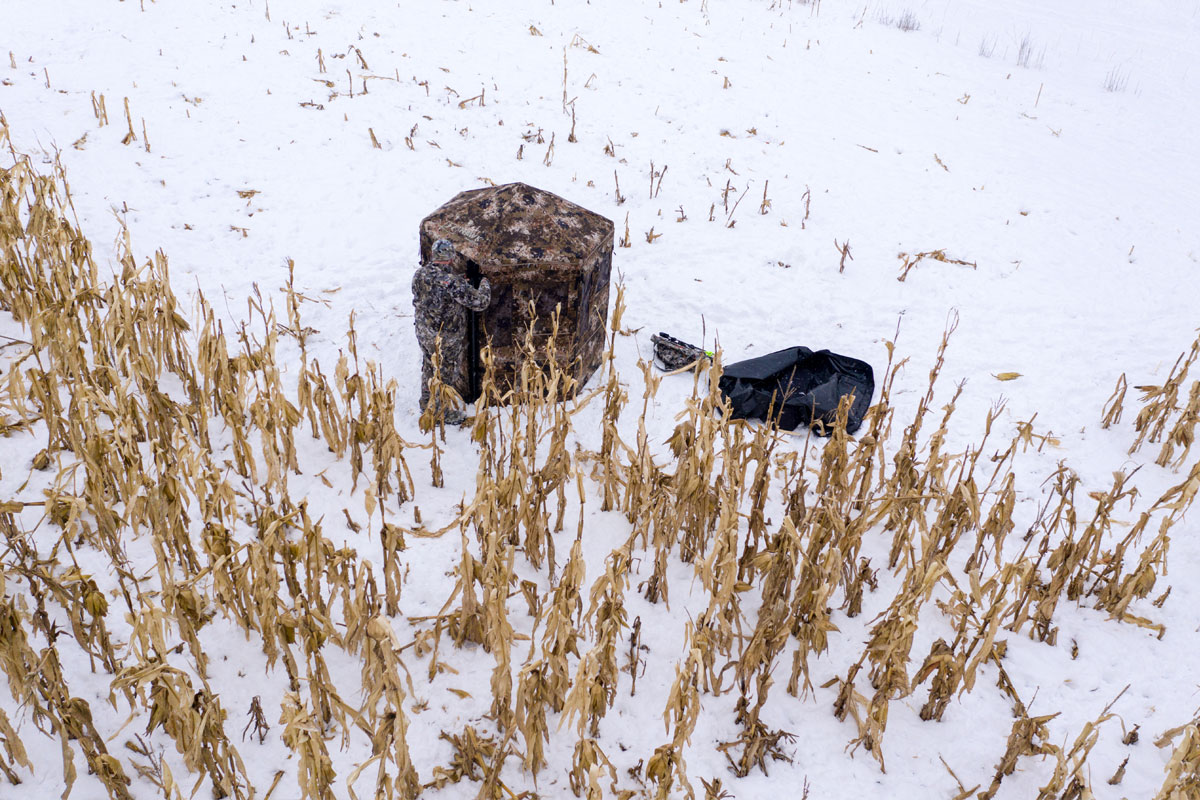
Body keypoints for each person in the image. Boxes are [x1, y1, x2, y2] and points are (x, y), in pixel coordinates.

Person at [412, 239, 492, 424]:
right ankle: (441, 413)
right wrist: (484, 283)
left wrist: (458, 282)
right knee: (445, 373)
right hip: (445, 337)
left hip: (424, 332)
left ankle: (426, 402)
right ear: (451, 257)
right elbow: (480, 302)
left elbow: (432, 291)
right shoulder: (452, 282)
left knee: (429, 365)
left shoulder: (419, 274)